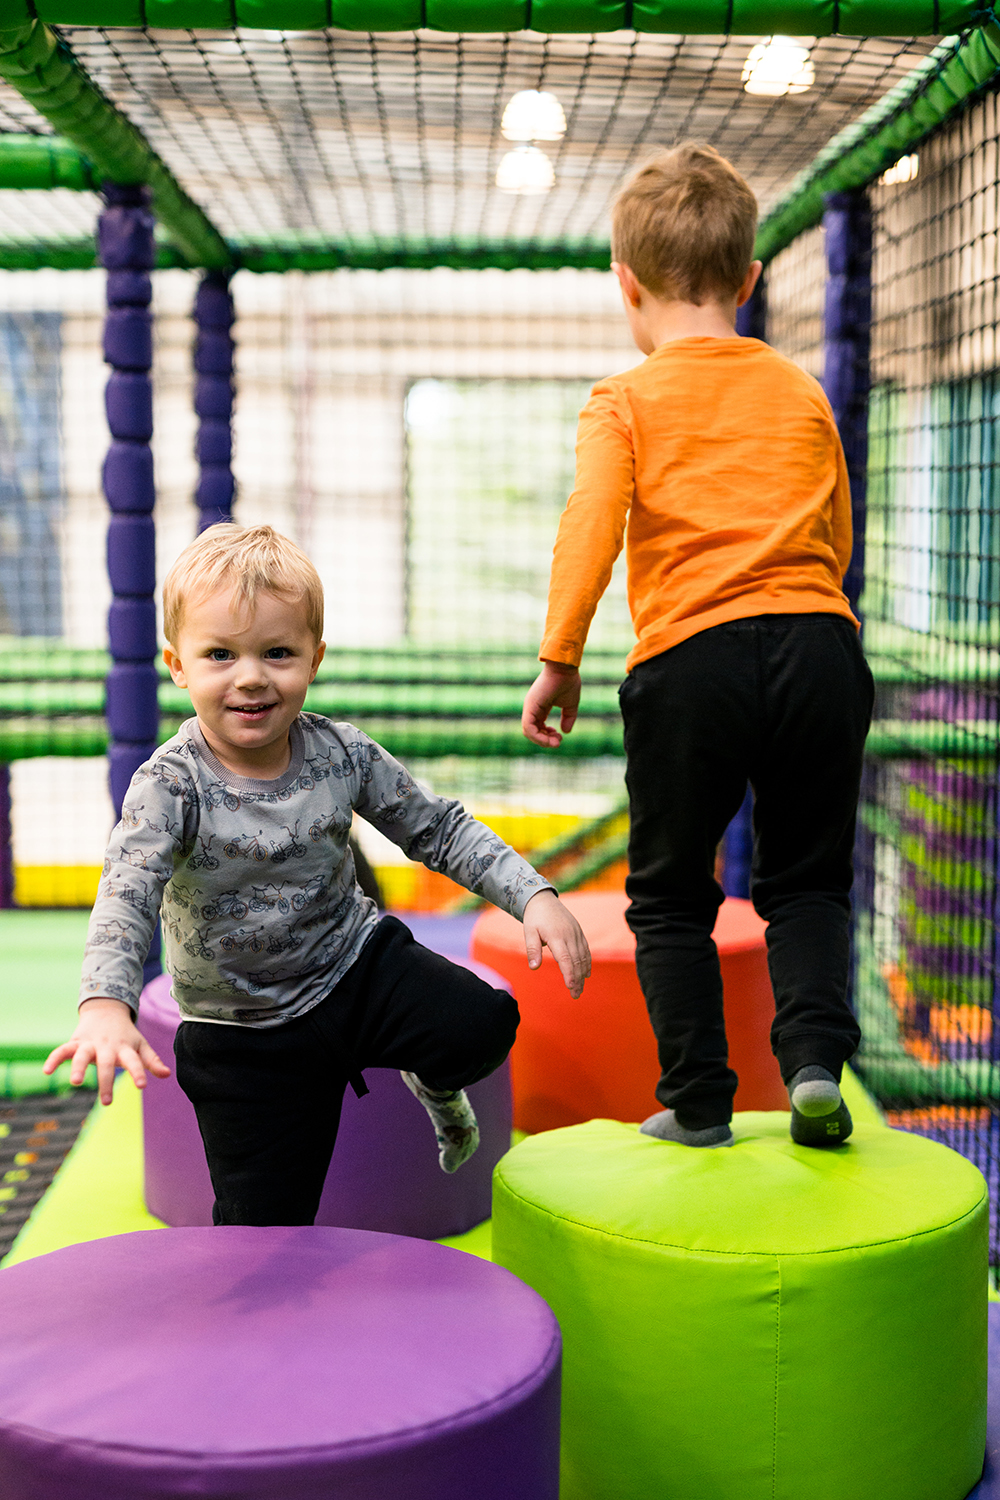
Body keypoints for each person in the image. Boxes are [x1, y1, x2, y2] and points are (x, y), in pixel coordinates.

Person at [46, 523, 590, 1225]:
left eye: (277, 652)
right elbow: (125, 895)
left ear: (314, 657)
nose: (251, 676)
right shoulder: (169, 786)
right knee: (263, 1229)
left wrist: (532, 894)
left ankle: (431, 1079)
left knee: (483, 1024)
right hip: (241, 1031)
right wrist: (104, 1004)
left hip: (353, 966)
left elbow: (437, 827)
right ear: (177, 665)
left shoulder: (340, 754)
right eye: (220, 655)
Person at [522, 143, 873, 1150]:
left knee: (672, 895)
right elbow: (833, 526)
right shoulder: (800, 389)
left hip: (691, 661)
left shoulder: (623, 400)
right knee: (807, 882)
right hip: (817, 643)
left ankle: (700, 1100)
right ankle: (810, 1064)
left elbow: (590, 523)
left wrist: (560, 655)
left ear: (624, 285)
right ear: (749, 279)